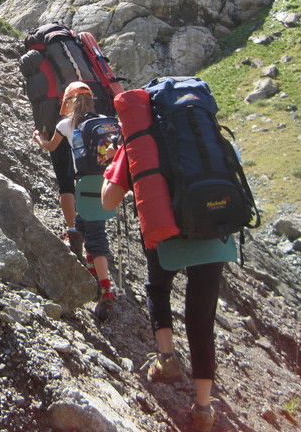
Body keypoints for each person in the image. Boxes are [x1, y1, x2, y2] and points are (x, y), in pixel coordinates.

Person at [101, 142, 224, 431]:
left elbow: (108, 201)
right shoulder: (198, 127)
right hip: (212, 226)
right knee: (202, 317)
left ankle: (166, 357)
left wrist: (110, 169)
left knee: (158, 288)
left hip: (164, 229)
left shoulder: (137, 135)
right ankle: (203, 408)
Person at [33, 81, 116, 320]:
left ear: (68, 102)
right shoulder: (105, 120)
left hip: (86, 184)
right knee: (83, 225)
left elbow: (50, 147)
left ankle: (106, 291)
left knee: (96, 236)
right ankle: (92, 277)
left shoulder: (66, 124)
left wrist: (39, 137)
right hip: (109, 182)